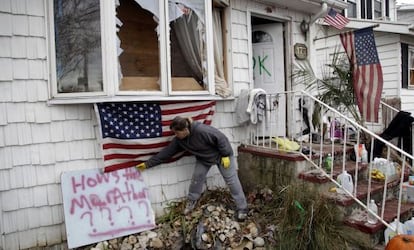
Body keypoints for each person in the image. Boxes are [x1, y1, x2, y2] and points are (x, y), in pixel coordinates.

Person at [135, 116, 248, 221]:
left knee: (231, 181)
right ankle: (192, 202)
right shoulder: (179, 140)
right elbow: (166, 153)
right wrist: (147, 164)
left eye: (177, 132)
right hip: (204, 159)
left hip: (222, 156)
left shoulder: (202, 130)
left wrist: (225, 154)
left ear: (185, 129)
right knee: (196, 179)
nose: (175, 134)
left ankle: (242, 208)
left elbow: (221, 138)